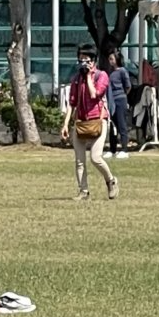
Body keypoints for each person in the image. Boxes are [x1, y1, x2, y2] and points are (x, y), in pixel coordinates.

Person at [61, 45, 117, 201]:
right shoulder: (76, 79)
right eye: (80, 60)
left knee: (95, 157)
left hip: (98, 121)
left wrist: (88, 77)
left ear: (93, 61)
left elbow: (94, 94)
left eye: (86, 60)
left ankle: (111, 180)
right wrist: (65, 124)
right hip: (81, 122)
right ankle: (83, 191)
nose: (83, 64)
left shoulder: (101, 76)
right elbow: (72, 103)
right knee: (79, 160)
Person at [106, 52, 132, 159]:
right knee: (113, 125)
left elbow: (128, 86)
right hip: (112, 100)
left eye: (112, 59)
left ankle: (124, 149)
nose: (110, 61)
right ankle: (112, 149)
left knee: (122, 124)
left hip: (120, 99)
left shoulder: (122, 71)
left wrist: (123, 96)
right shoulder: (111, 72)